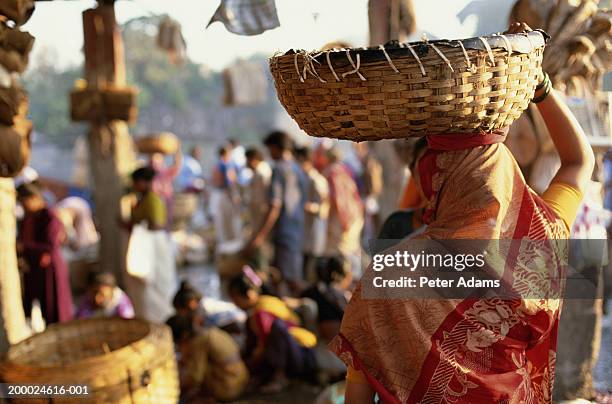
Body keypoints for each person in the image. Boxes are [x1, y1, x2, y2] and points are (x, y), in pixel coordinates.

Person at [331, 23, 595, 404]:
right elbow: (578, 161)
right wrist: (540, 87)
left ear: (437, 187)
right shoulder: (541, 239)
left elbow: (357, 394)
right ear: (506, 175)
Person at [228, 272, 317, 393]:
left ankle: (279, 377)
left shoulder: (261, 311)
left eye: (235, 298)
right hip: (296, 352)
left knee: (277, 328)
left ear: (249, 294)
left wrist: (249, 363)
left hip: (303, 355)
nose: (235, 303)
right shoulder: (262, 305)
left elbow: (264, 343)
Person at [243, 131, 308, 294]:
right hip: (297, 229)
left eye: (270, 149)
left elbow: (275, 206)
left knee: (283, 278)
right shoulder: (298, 169)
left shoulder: (278, 169)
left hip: (283, 231)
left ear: (276, 148)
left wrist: (259, 236)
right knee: (291, 274)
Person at [167, 291, 249, 403]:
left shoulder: (199, 341)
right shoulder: (210, 331)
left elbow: (195, 377)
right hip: (241, 380)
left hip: (229, 388)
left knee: (194, 368)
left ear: (183, 335)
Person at [123, 166, 177, 322]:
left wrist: (138, 223)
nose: (134, 186)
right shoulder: (142, 200)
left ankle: (159, 320)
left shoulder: (153, 200)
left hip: (155, 248)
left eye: (136, 182)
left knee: (156, 286)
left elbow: (156, 224)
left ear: (143, 183)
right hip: (148, 247)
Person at [17, 183, 73, 324]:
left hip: (50, 271)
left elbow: (50, 246)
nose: (24, 206)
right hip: (33, 270)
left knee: (55, 310)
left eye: (25, 202)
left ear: (35, 198)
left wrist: (23, 247)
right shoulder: (27, 218)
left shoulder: (50, 217)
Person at [318, 146, 364, 278]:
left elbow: (337, 197)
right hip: (354, 216)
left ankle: (341, 281)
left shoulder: (332, 172)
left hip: (341, 217)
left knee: (339, 252)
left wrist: (343, 219)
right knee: (351, 249)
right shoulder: (346, 170)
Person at [295, 146, 330, 282]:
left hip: (315, 225)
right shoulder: (304, 178)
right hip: (305, 227)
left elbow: (324, 206)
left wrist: (310, 207)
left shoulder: (317, 180)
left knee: (313, 261)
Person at [210, 146, 242, 244]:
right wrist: (233, 196)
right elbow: (229, 181)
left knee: (221, 221)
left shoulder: (219, 164)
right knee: (227, 220)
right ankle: (229, 243)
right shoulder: (225, 164)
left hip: (219, 193)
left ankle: (224, 242)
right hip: (225, 194)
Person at [150, 150, 183, 228]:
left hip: (165, 200)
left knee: (165, 221)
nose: (155, 162)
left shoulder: (165, 171)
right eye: (153, 160)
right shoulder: (149, 172)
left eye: (157, 159)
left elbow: (176, 167)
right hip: (154, 201)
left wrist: (177, 156)